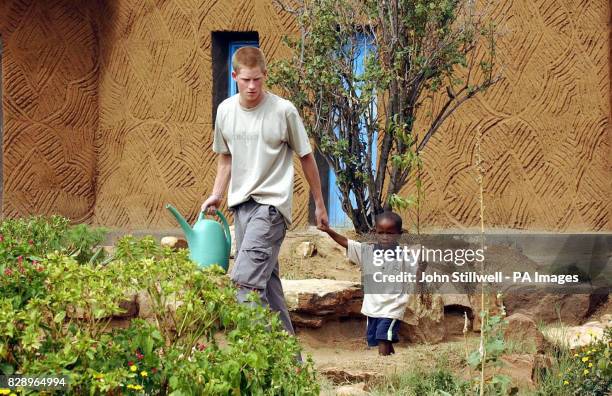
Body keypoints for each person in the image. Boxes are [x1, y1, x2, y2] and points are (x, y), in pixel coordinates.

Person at [201, 47, 328, 336]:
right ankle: (291, 368)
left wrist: (319, 204)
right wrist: (217, 194)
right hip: (240, 207)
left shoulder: (283, 111)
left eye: (258, 79)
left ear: (265, 76)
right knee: (268, 289)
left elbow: (306, 156)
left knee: (244, 284)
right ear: (234, 76)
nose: (252, 86)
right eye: (246, 80)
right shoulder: (225, 111)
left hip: (271, 208)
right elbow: (226, 157)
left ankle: (259, 362)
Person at [319, 211, 415, 355]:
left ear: (399, 234)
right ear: (374, 232)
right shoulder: (367, 252)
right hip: (373, 307)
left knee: (383, 337)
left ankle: (382, 366)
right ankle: (391, 361)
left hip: (393, 307)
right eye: (381, 232)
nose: (385, 237)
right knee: (380, 338)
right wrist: (328, 230)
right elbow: (347, 243)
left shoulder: (405, 257)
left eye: (390, 233)